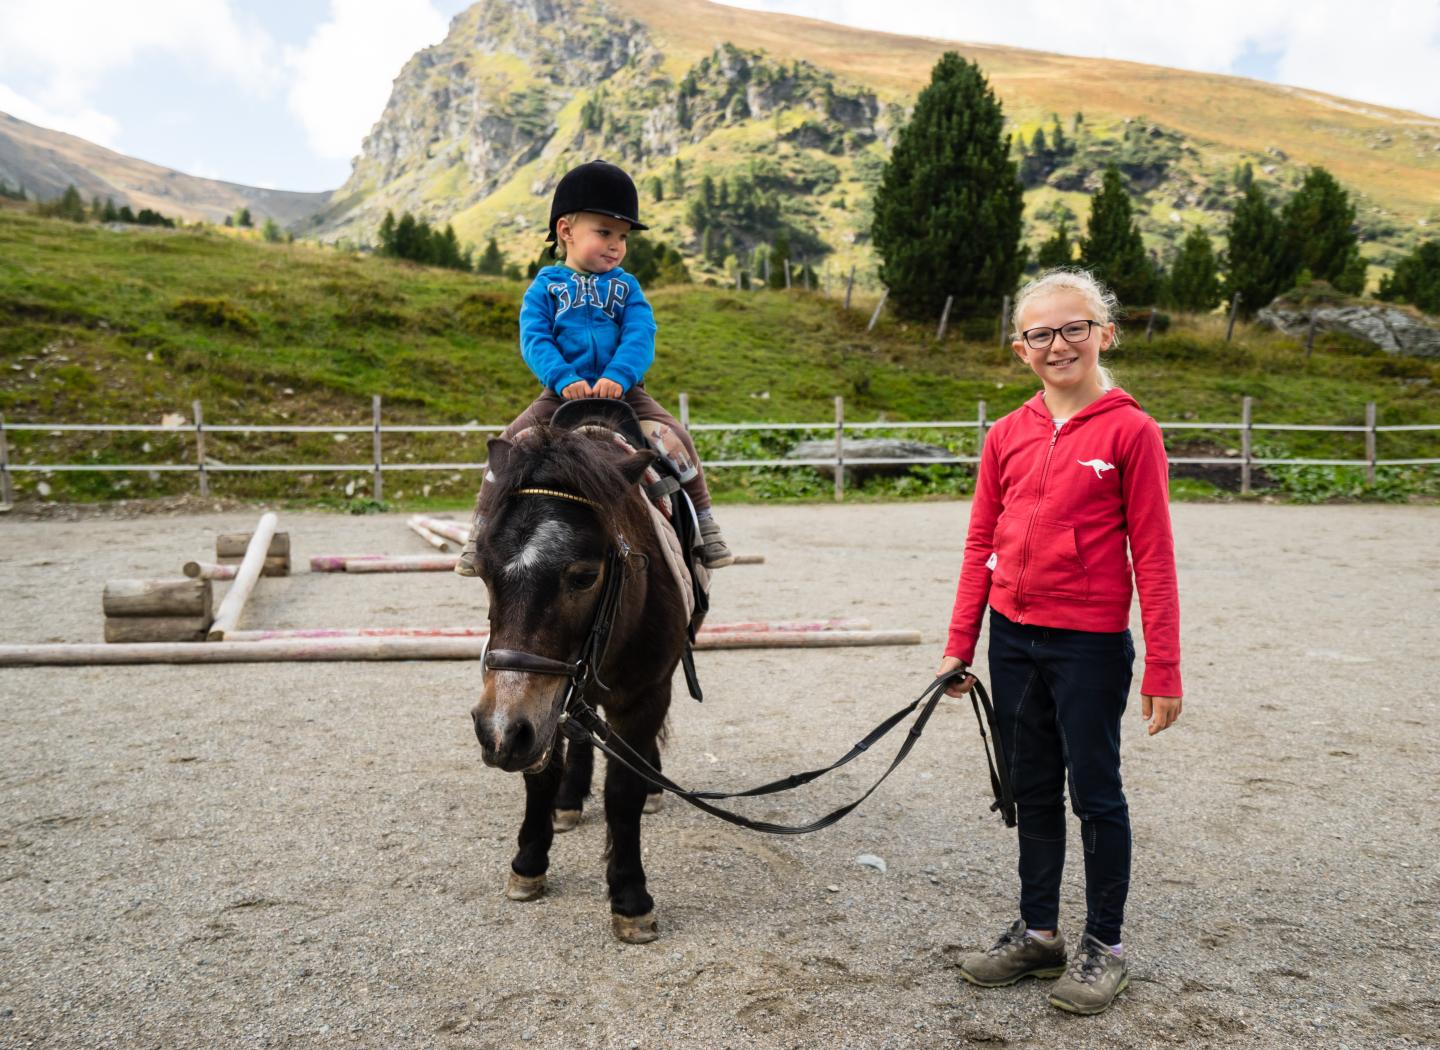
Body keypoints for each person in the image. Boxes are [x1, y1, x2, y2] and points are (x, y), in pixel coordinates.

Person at [939, 268, 1183, 1016]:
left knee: (1096, 793)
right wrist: (961, 642)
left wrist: (1164, 666)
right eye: (1041, 333)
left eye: (1074, 327)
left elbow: (1155, 554)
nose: (1058, 344)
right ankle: (1040, 933)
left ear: (1105, 332)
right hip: (1012, 642)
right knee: (1032, 788)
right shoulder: (1005, 435)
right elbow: (982, 535)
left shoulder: (1131, 431)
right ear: (1021, 349)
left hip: (1089, 646)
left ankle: (1103, 945)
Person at [456, 159, 733, 574]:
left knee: (675, 438)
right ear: (566, 231)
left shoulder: (627, 287)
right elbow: (535, 339)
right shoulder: (544, 287)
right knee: (506, 448)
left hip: (627, 395)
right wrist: (564, 378)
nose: (616, 244)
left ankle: (706, 527)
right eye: (604, 232)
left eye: (622, 236)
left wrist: (618, 377)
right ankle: (478, 534)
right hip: (560, 394)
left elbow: (641, 334)